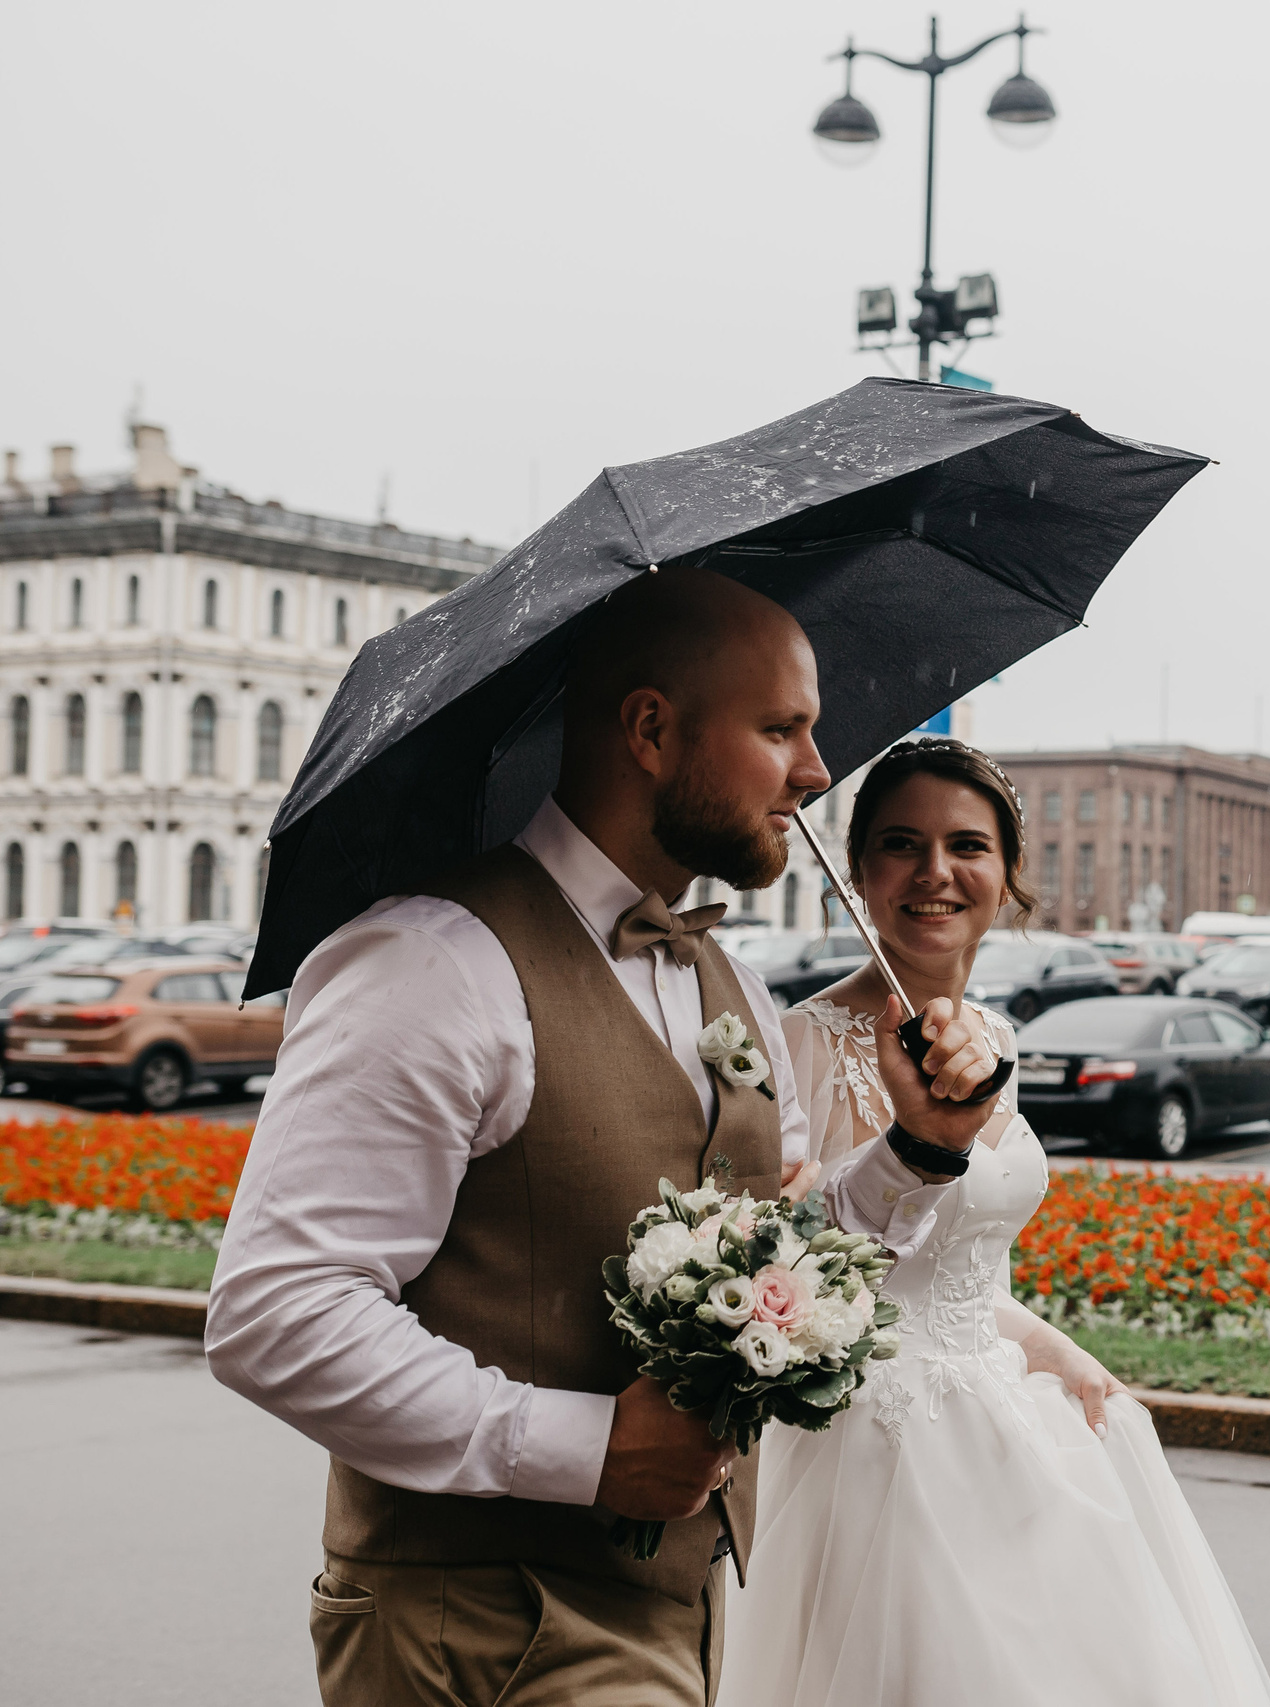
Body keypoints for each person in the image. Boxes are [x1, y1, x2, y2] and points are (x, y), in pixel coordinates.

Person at [206, 569, 1003, 1706]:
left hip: (680, 1608)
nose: (818, 773)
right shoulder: (434, 964)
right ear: (649, 728)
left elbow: (770, 1270)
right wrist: (582, 1447)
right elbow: (274, 1314)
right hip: (481, 1628)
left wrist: (916, 1151)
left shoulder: (722, 976)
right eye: (782, 729)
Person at [724, 738, 1270, 1705]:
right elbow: (801, 1261)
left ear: (1008, 875)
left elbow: (958, 1272)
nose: (936, 872)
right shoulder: (803, 1041)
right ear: (856, 875)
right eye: (902, 844)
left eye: (966, 846)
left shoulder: (998, 1039)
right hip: (865, 1447)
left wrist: (1048, 1346)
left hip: (1001, 1422)